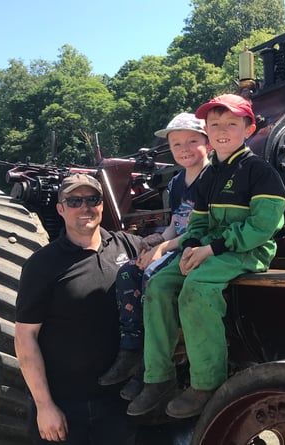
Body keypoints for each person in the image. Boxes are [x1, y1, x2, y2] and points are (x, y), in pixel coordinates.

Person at [127, 94, 285, 419]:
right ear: (208, 131)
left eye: (231, 123)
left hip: (248, 251)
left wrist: (210, 249)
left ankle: (207, 383)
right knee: (158, 286)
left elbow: (261, 227)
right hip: (211, 248)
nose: (222, 131)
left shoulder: (260, 172)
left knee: (195, 289)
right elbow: (198, 223)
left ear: (249, 128)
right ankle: (158, 377)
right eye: (215, 125)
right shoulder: (210, 176)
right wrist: (190, 247)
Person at [15, 173, 146, 444]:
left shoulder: (128, 247)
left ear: (101, 205)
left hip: (120, 404)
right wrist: (44, 406)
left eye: (92, 199)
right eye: (74, 201)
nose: (84, 207)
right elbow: (25, 338)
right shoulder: (43, 264)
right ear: (60, 209)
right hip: (65, 406)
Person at [97, 112, 210, 401]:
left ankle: (154, 363)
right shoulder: (176, 184)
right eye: (176, 144)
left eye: (191, 141)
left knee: (151, 274)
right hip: (176, 244)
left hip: (198, 247)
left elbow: (204, 228)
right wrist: (157, 238)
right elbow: (176, 223)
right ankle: (132, 348)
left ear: (208, 144)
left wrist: (163, 248)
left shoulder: (213, 180)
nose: (184, 149)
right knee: (127, 272)